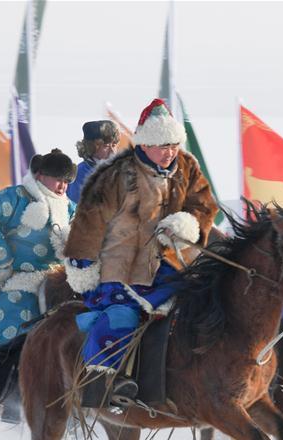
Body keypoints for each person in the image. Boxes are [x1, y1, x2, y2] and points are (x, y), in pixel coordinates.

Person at [64, 99, 218, 405]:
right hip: (123, 267)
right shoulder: (117, 173)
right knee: (122, 316)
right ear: (145, 143)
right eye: (162, 144)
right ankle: (107, 381)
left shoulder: (188, 166)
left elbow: (203, 204)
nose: (170, 151)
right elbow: (89, 219)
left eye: (173, 144)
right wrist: (82, 264)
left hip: (175, 263)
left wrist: (188, 223)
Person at [0, 148, 77, 348]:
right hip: (19, 280)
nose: (62, 186)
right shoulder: (16, 197)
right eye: (58, 179)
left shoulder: (70, 208)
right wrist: (1, 254)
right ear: (40, 175)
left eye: (66, 181)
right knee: (13, 313)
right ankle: (1, 368)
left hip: (59, 282)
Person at [67, 120, 121, 203]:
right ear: (91, 147)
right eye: (106, 146)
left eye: (114, 145)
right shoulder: (79, 174)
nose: (112, 151)